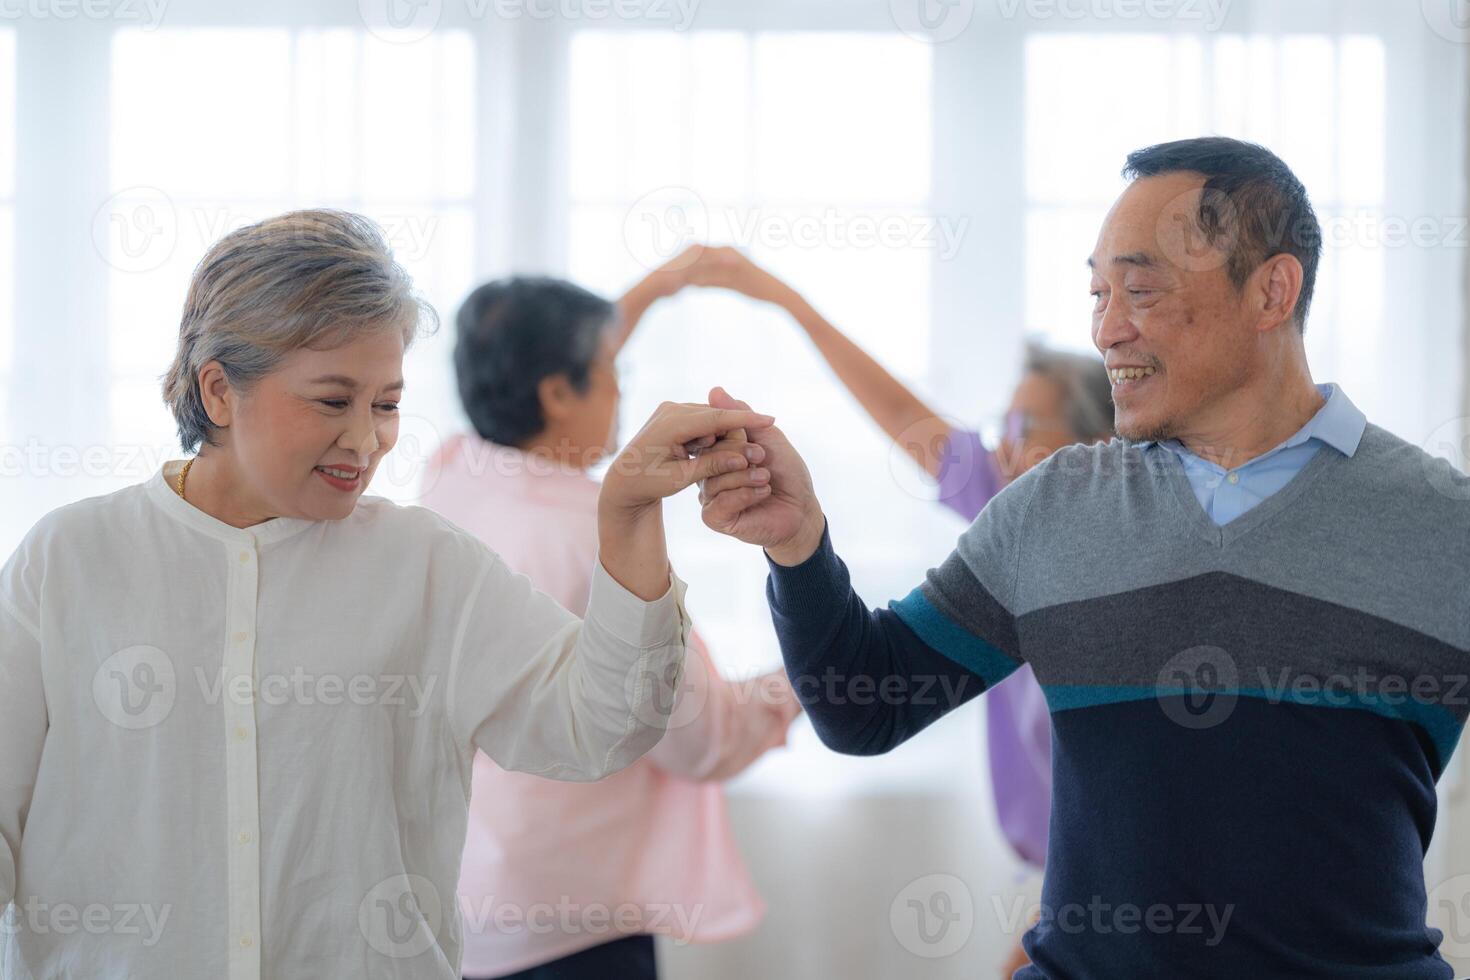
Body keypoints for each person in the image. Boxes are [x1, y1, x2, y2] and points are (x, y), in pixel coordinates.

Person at [695, 137, 1470, 976]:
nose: (1106, 329)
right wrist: (798, 544)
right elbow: (863, 706)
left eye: (1140, 289)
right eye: (1098, 293)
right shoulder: (1054, 505)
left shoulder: (1443, 528)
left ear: (1271, 291)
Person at [0, 210, 775, 979]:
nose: (368, 440)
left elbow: (604, 722)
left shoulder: (427, 563)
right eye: (334, 402)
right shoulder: (67, 562)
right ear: (218, 391)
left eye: (388, 403)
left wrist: (627, 515)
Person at [676, 246, 1113, 975]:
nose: (1001, 448)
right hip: (1054, 879)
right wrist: (786, 301)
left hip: (1098, 884)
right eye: (1001, 424)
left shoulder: (1111, 549)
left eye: (1026, 426)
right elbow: (901, 414)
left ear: (1096, 447)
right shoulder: (1014, 505)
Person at [420, 259, 801, 980]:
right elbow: (700, 739)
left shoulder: (451, 476)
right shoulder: (603, 536)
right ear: (558, 392)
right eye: (607, 364)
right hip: (576, 930)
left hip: (467, 905)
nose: (622, 382)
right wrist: (819, 674)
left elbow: (528, 361)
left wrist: (659, 287)